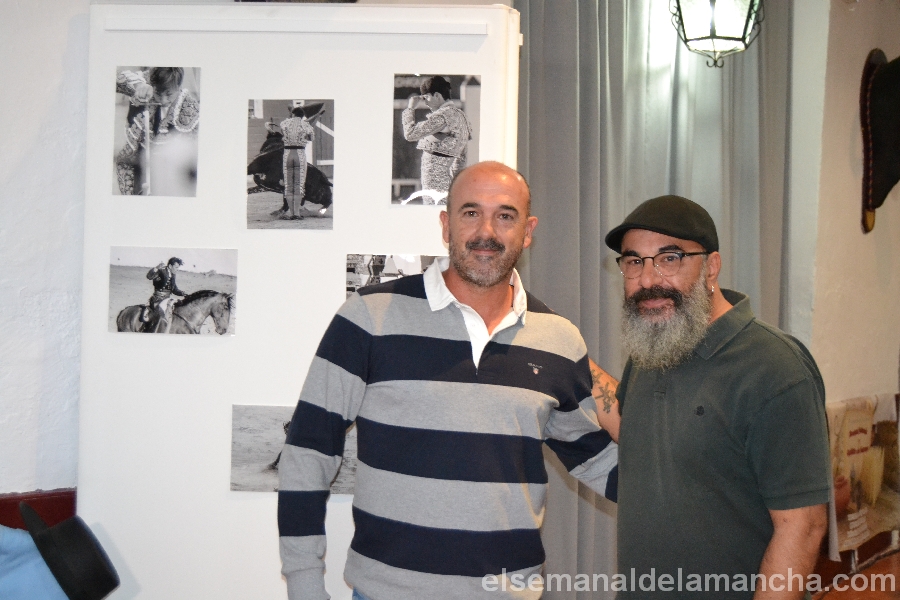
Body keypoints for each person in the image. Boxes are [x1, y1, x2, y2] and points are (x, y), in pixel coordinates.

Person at [278, 161, 618, 600]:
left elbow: (595, 461)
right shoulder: (368, 317)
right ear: (446, 225)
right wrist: (304, 584)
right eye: (471, 212)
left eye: (505, 216)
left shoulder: (558, 339)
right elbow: (308, 451)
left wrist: (694, 495)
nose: (486, 231)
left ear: (527, 231)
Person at [604, 195, 830, 599]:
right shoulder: (652, 347)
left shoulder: (775, 368)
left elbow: (803, 526)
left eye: (670, 258)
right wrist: (563, 351)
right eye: (634, 261)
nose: (648, 279)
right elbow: (635, 430)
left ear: (711, 266)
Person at [114, 67, 200, 196]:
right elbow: (115, 79)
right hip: (141, 168)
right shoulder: (149, 84)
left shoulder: (190, 108)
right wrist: (139, 85)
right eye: (158, 93)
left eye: (169, 94)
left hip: (170, 173)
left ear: (179, 87)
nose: (163, 100)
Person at [401, 76, 472, 205]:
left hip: (434, 183)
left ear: (437, 95)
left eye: (426, 97)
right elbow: (462, 157)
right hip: (448, 182)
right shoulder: (461, 117)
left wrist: (410, 109)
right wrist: (456, 183)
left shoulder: (442, 116)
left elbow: (410, 134)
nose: (425, 102)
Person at [279, 106, 316, 220]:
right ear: (302, 116)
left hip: (287, 155)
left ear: (293, 114)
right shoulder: (306, 125)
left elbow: (282, 132)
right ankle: (296, 213)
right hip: (299, 155)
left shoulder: (284, 123)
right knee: (298, 185)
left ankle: (291, 213)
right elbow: (311, 138)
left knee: (288, 185)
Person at [142, 257, 187, 332]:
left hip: (167, 299)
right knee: (161, 315)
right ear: (170, 266)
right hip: (157, 299)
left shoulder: (173, 274)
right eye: (176, 267)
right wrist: (156, 268)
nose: (177, 269)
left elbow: (174, 289)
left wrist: (183, 293)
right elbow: (149, 276)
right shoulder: (161, 271)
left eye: (178, 267)